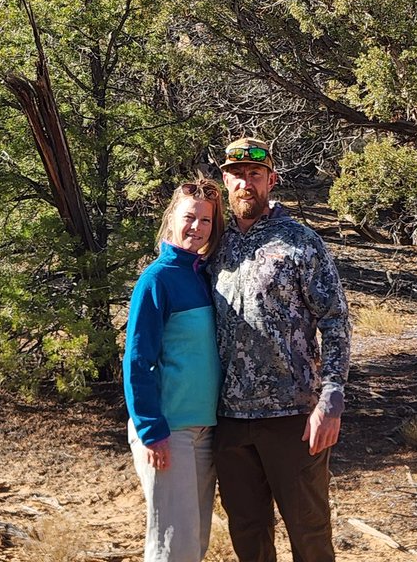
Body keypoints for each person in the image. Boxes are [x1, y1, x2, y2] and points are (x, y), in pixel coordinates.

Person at [210, 137, 351, 562]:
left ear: (271, 180)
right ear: (225, 181)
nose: (245, 184)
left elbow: (335, 319)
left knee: (308, 531)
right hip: (229, 416)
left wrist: (331, 397)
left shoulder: (300, 241)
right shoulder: (215, 243)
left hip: (294, 415)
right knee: (248, 532)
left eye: (255, 175)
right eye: (237, 175)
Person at [123, 177, 225, 562]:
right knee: (172, 547)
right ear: (170, 220)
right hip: (170, 432)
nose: (196, 227)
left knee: (193, 543)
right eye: (189, 217)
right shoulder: (156, 280)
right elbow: (137, 360)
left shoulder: (202, 276)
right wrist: (152, 431)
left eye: (206, 221)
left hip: (205, 432)